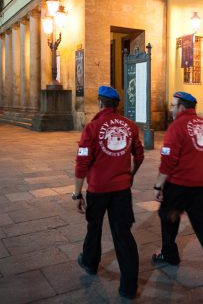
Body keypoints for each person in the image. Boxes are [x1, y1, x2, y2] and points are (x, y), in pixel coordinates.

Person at [73, 85, 144, 300]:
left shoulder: (92, 127)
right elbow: (139, 155)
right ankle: (129, 288)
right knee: (123, 235)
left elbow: (82, 162)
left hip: (97, 190)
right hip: (122, 190)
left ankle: (90, 263)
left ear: (100, 103)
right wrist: (130, 174)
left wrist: (77, 194)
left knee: (94, 228)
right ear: (117, 105)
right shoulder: (130, 126)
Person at [152, 91, 203, 279]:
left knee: (168, 218)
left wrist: (158, 186)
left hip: (178, 186)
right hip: (202, 186)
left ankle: (170, 255)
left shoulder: (176, 126)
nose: (171, 109)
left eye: (173, 105)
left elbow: (168, 160)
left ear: (181, 107)